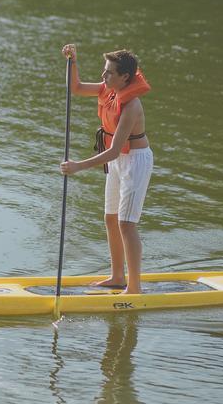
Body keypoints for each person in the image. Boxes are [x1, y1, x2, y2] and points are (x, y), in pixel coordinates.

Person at [59, 43, 153, 295]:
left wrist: (78, 166)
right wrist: (73, 61)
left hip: (135, 162)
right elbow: (75, 88)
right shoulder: (107, 90)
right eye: (104, 71)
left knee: (126, 224)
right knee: (110, 219)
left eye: (109, 72)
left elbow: (113, 150)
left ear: (125, 77)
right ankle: (117, 277)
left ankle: (134, 288)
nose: (104, 76)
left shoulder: (132, 106)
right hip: (117, 162)